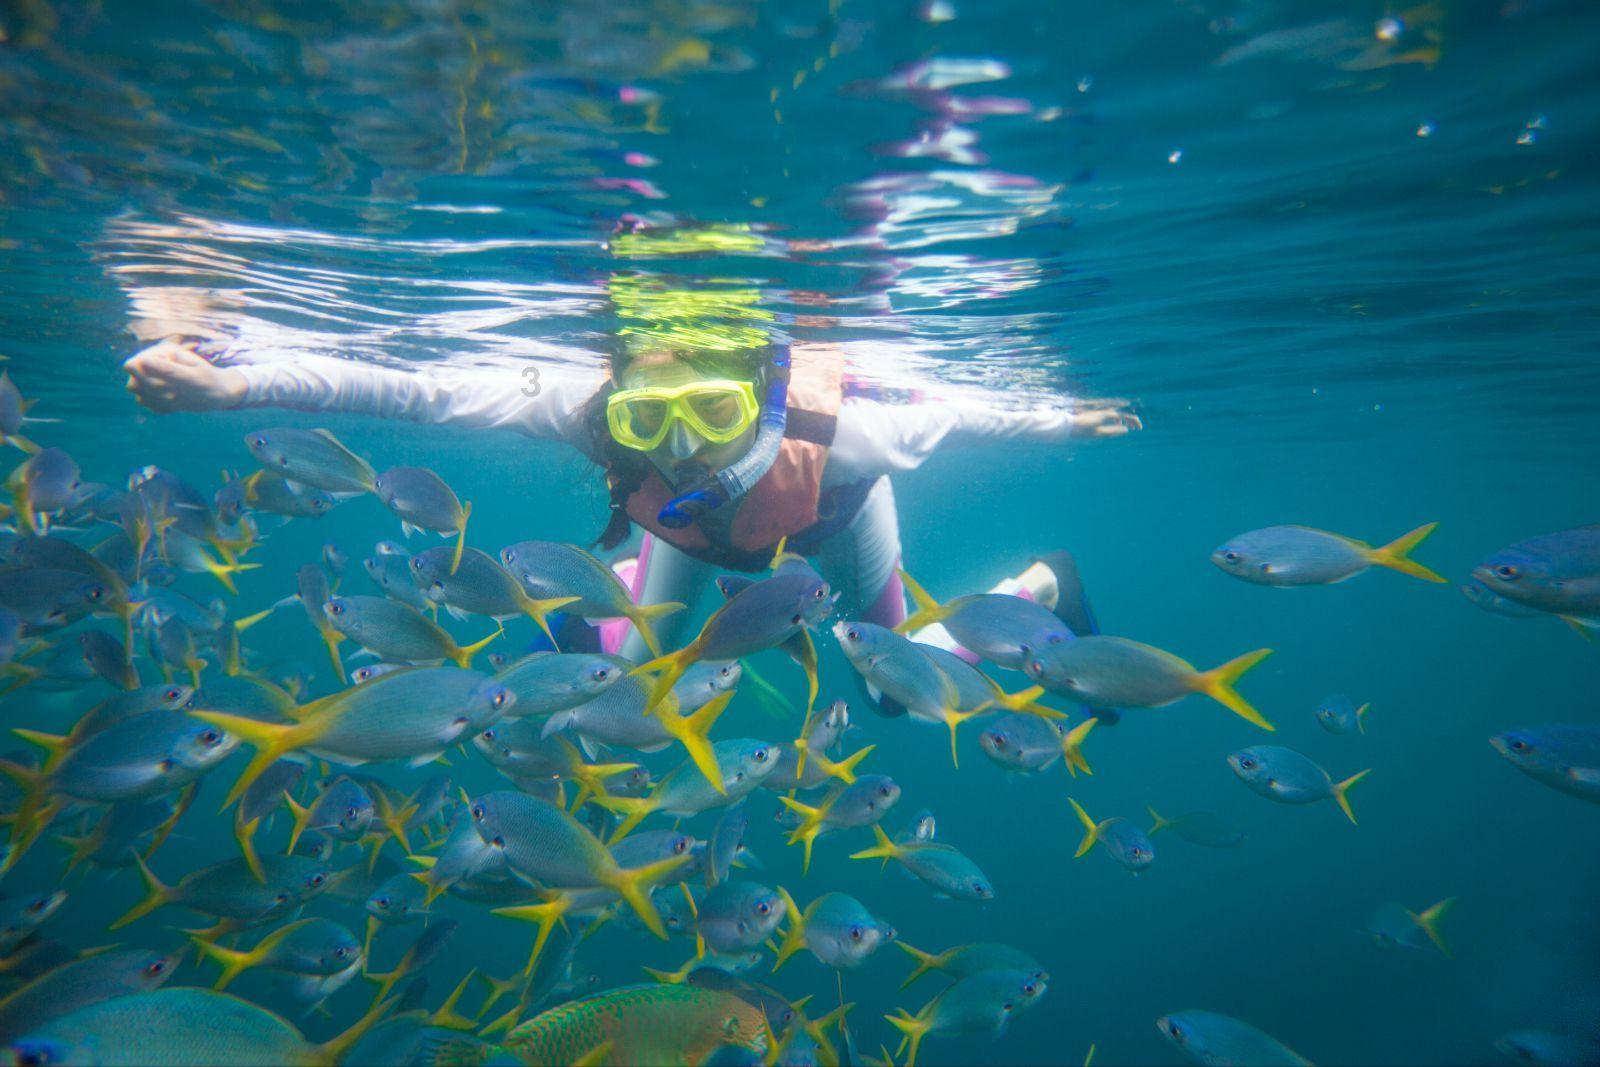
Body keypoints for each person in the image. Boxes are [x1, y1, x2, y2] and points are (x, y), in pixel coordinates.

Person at [118, 224, 1138, 696]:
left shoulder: (851, 431)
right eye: (653, 416)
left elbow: (974, 411)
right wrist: (235, 380)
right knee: (633, 665)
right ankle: (588, 612)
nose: (687, 440)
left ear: (767, 390)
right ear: (615, 396)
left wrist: (1073, 414)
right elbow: (412, 383)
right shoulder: (587, 410)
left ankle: (1048, 583)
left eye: (713, 408)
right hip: (696, 545)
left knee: (891, 680)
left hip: (834, 521)